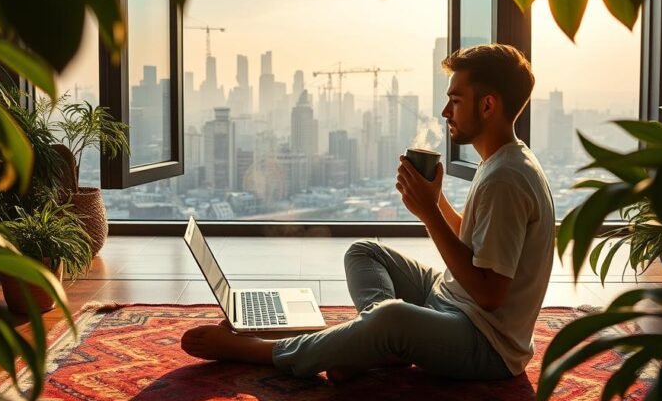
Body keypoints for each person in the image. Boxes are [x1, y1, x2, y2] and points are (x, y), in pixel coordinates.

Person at [181, 44, 555, 382]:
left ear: (487, 105)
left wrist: (428, 214)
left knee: (392, 317)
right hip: (453, 301)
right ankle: (376, 343)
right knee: (365, 251)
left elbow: (490, 293)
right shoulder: (503, 161)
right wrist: (436, 200)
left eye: (455, 100)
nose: (445, 112)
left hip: (484, 342)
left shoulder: (505, 178)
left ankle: (260, 351)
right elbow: (477, 246)